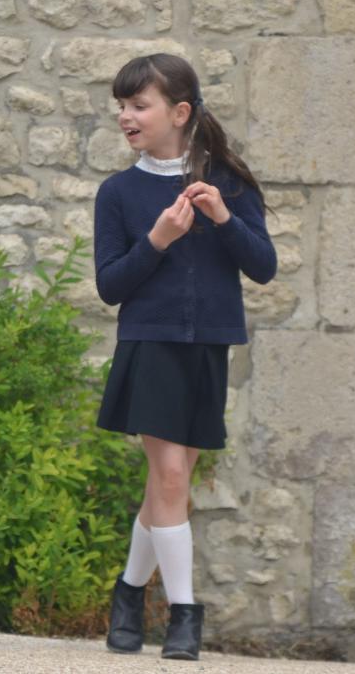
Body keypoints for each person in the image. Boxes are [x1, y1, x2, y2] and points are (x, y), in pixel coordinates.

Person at [95, 53, 276, 662]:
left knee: (167, 486)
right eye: (121, 106)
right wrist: (158, 239)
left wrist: (223, 217)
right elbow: (110, 285)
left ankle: (127, 593)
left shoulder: (229, 184)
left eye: (138, 105)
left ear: (178, 112)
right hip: (150, 343)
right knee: (171, 478)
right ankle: (182, 616)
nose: (126, 116)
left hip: (209, 346)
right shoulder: (118, 192)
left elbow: (264, 267)